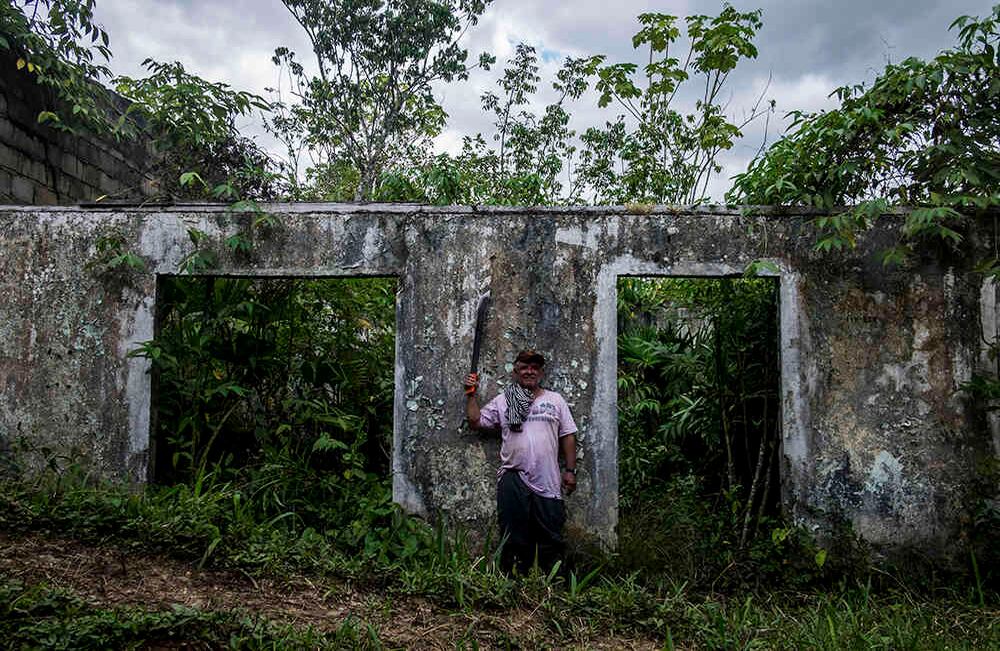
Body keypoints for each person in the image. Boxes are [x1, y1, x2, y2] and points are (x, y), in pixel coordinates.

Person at [463, 349, 578, 574]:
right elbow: (475, 421)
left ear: (541, 372)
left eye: (534, 367)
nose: (529, 371)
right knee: (513, 537)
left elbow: (568, 435)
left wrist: (570, 470)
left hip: (548, 479)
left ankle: (554, 587)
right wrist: (470, 393)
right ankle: (513, 585)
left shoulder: (555, 400)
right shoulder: (504, 400)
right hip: (513, 477)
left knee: (551, 537)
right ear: (515, 371)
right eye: (524, 367)